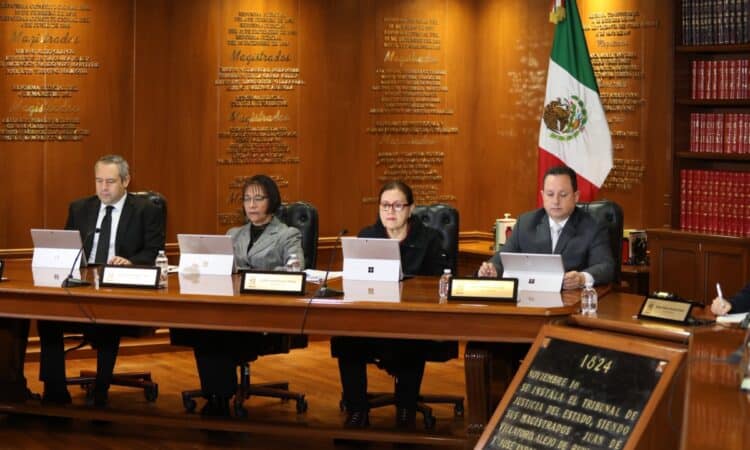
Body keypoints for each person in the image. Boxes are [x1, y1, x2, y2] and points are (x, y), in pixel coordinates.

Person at [37, 155, 165, 406]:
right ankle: (55, 392)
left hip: (120, 288)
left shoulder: (146, 210)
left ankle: (101, 391)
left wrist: (131, 262)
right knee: (48, 319)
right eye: (99, 181)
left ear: (125, 181)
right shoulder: (79, 208)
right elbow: (69, 249)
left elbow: (154, 250)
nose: (103, 188)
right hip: (83, 286)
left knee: (107, 319)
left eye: (110, 181)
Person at [172, 174, 304, 417]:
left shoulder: (288, 235)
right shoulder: (234, 234)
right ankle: (216, 395)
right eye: (247, 199)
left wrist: (253, 277)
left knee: (219, 332)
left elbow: (295, 270)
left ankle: (220, 396)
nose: (251, 205)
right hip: (231, 309)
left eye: (258, 199)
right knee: (202, 327)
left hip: (266, 313)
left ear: (272, 201)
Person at [331, 180, 450, 429]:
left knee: (410, 339)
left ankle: (406, 410)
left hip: (414, 320)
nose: (390, 211)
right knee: (345, 337)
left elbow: (438, 284)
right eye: (385, 205)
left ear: (411, 208)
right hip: (373, 318)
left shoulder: (430, 239)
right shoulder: (367, 237)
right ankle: (356, 410)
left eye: (397, 205)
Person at [478, 165, 615, 288]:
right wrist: (492, 269)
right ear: (542, 196)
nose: (556, 201)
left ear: (576, 196)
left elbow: (606, 267)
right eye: (550, 194)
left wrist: (582, 278)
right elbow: (502, 259)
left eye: (563, 195)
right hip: (531, 297)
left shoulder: (592, 227)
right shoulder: (526, 223)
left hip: (571, 299)